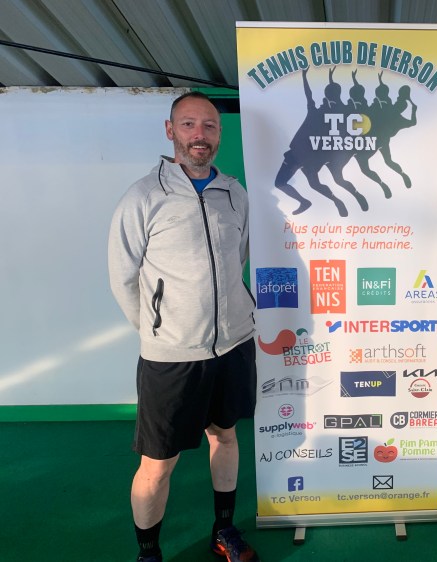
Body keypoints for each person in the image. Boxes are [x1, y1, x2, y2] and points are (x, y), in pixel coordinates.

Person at [108, 92, 260, 562]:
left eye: (209, 126)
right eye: (189, 124)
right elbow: (123, 276)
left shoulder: (234, 193)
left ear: (219, 134)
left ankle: (223, 529)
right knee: (157, 465)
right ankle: (148, 553)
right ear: (170, 130)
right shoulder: (143, 196)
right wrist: (160, 329)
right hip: (171, 356)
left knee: (225, 436)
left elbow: (238, 258)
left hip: (233, 345)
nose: (200, 135)